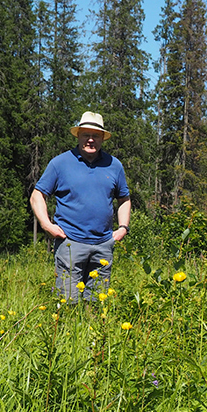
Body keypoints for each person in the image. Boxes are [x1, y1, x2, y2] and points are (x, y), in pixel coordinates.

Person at [30, 112, 130, 301]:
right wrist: (46, 225)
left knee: (97, 303)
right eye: (86, 135)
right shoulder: (60, 163)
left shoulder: (114, 165)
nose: (91, 140)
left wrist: (123, 227)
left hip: (103, 245)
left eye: (96, 136)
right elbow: (37, 195)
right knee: (67, 301)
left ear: (102, 138)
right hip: (70, 243)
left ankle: (93, 331)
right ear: (78, 136)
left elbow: (124, 199)